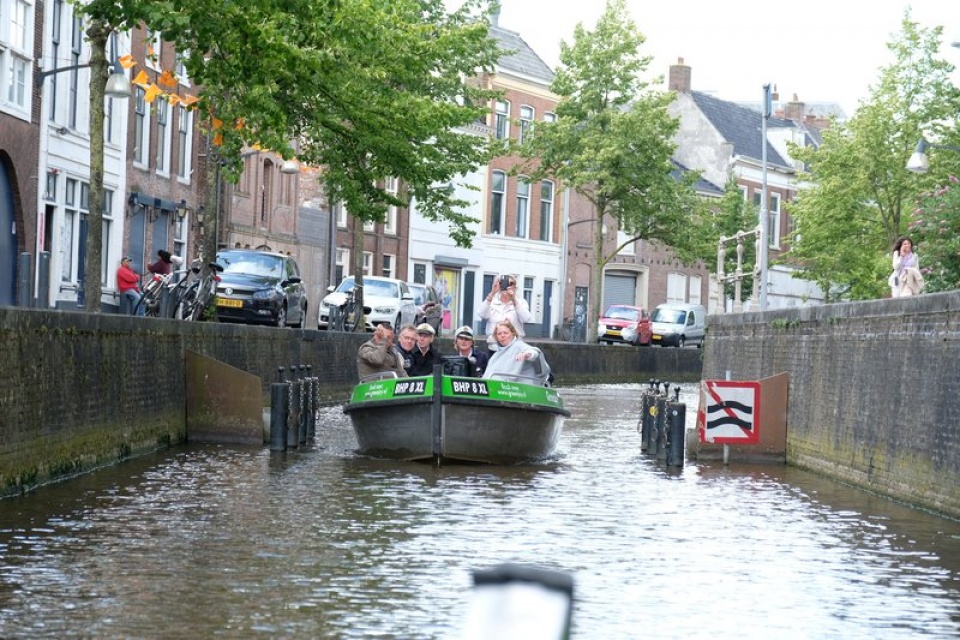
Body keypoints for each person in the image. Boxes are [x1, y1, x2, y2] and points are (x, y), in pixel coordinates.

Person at [482, 321, 552, 386]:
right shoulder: (496, 354)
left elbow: (534, 353)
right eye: (499, 334)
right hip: (500, 388)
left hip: (523, 388)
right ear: (496, 337)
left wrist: (527, 355)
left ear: (513, 334)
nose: (502, 336)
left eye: (505, 333)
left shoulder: (519, 346)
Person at [477, 274, 532, 353]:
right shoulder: (492, 302)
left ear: (515, 287)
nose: (507, 286)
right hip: (495, 347)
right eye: (503, 283)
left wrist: (514, 300)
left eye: (510, 284)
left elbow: (526, 318)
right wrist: (492, 293)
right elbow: (481, 314)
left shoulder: (521, 302)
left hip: (514, 348)